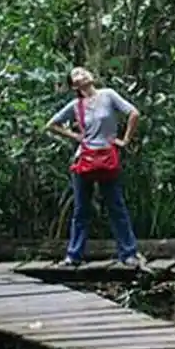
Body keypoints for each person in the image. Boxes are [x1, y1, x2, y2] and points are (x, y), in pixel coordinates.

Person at [45, 67, 145, 268]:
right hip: (84, 159)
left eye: (83, 71)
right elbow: (52, 124)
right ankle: (73, 256)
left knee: (116, 206)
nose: (82, 74)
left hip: (107, 158)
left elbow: (134, 113)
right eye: (76, 74)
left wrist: (125, 140)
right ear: (75, 85)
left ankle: (128, 253)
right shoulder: (76, 105)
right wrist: (75, 137)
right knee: (81, 210)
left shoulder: (108, 95)